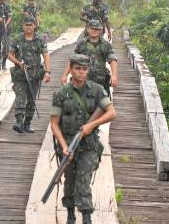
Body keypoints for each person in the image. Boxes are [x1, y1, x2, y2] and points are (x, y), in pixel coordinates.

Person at [50, 54, 116, 224]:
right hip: (68, 145)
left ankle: (87, 217)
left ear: (88, 70)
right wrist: (64, 146)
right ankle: (71, 215)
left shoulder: (97, 89)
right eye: (77, 69)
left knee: (83, 180)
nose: (81, 72)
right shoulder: (60, 94)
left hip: (88, 145)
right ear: (71, 69)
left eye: (84, 69)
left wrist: (91, 125)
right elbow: (54, 124)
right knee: (69, 181)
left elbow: (111, 112)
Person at [8, 16, 51, 133]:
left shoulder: (40, 39)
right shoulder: (17, 39)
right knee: (20, 97)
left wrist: (48, 71)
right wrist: (18, 62)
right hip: (20, 74)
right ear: (23, 26)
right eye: (26, 25)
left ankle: (27, 123)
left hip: (35, 75)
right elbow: (10, 54)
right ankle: (19, 122)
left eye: (30, 25)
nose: (28, 27)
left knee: (31, 100)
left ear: (34, 26)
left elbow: (46, 55)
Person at [60, 20, 118, 96]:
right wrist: (65, 75)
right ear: (87, 29)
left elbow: (113, 59)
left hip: (100, 81)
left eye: (96, 29)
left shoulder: (106, 45)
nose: (94, 31)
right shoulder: (81, 44)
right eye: (92, 28)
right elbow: (73, 60)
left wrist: (114, 75)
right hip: (83, 80)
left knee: (102, 105)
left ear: (100, 30)